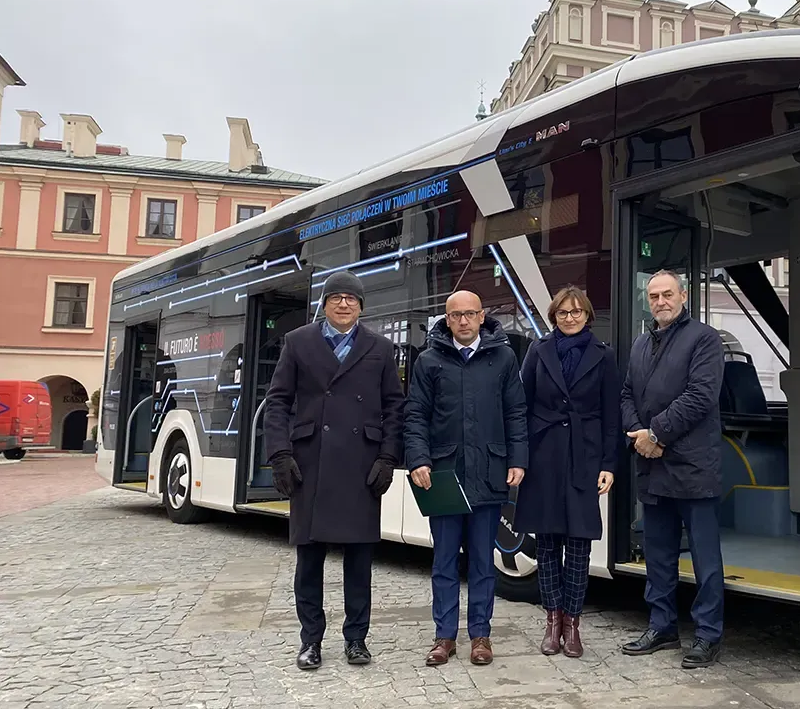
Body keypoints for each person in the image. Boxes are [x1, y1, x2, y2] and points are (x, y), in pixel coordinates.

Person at [263, 271, 405, 671]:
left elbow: (395, 407)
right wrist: (279, 454)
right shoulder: (299, 342)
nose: (344, 304)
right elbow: (277, 403)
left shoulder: (380, 348)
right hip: (309, 464)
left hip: (362, 465)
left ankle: (356, 639)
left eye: (352, 299)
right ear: (324, 304)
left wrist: (388, 457)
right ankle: (311, 640)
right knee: (309, 560)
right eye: (336, 297)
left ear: (362, 306)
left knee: (359, 561)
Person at [404, 290, 528, 666]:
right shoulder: (428, 361)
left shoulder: (503, 357)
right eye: (455, 315)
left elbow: (516, 413)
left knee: (481, 562)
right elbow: (415, 416)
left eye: (470, 314)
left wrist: (518, 459)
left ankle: (480, 636)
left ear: (481, 316)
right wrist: (418, 459)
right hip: (443, 476)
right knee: (443, 562)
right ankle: (444, 637)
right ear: (446, 318)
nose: (462, 321)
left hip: (489, 474)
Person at [620, 270, 726, 668]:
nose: (661, 301)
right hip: (653, 467)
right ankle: (661, 626)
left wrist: (657, 434)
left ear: (683, 296)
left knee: (705, 559)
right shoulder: (641, 344)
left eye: (668, 294)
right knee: (658, 554)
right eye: (654, 296)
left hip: (693, 466)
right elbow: (627, 393)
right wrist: (637, 434)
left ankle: (707, 635)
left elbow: (700, 396)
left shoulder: (704, 339)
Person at [514, 286, 619, 658]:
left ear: (587, 316)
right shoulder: (537, 351)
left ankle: (573, 623)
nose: (569, 318)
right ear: (553, 316)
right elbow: (521, 408)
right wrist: (520, 458)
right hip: (543, 455)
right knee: (546, 545)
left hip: (584, 456)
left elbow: (611, 416)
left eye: (576, 312)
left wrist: (609, 464)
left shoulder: (604, 357)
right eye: (562, 313)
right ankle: (552, 620)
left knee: (578, 544)